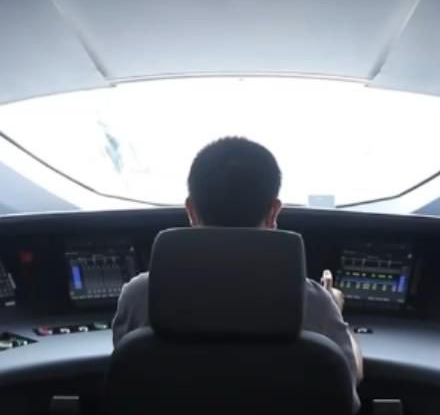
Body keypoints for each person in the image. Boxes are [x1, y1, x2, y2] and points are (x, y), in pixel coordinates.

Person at [110, 136, 364, 391]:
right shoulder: (314, 303)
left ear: (191, 211)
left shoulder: (139, 295)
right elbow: (350, 376)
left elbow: (128, 377)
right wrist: (335, 307)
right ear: (274, 213)